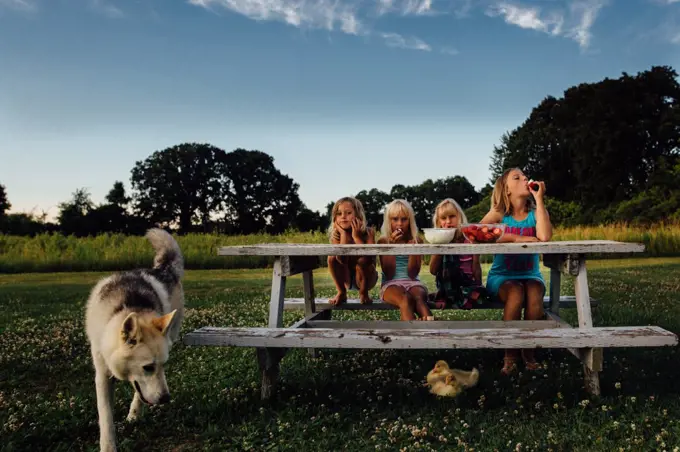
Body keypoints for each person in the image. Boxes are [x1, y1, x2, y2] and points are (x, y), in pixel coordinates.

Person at [480, 168, 552, 375]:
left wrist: (539, 201)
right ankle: (510, 355)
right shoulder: (498, 215)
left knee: (534, 291)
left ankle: (528, 353)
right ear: (506, 190)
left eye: (525, 176)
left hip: (530, 275)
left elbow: (545, 236)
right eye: (517, 177)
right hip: (502, 277)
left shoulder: (535, 215)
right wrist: (515, 238)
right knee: (515, 292)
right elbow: (479, 234)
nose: (525, 178)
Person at [376, 199, 433, 321]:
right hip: (390, 284)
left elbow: (413, 274)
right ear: (388, 221)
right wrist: (391, 246)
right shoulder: (383, 241)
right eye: (395, 219)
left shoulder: (417, 241)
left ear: (410, 221)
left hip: (413, 282)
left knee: (419, 300)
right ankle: (410, 335)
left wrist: (413, 251)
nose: (400, 224)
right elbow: (389, 273)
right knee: (405, 299)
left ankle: (432, 331)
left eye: (404, 219)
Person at [428, 198, 488, 310]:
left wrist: (478, 285)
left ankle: (451, 297)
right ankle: (454, 297)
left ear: (459, 217)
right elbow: (432, 270)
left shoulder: (469, 239)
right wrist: (440, 249)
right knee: (450, 270)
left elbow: (475, 267)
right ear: (439, 222)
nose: (448, 221)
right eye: (443, 218)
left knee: (481, 293)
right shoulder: (438, 240)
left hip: (467, 284)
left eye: (452, 216)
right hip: (448, 283)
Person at [327, 197, 378, 305]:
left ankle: (363, 293)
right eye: (339, 214)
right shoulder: (336, 236)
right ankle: (341, 292)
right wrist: (343, 235)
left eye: (348, 213)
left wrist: (356, 237)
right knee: (332, 257)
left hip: (367, 278)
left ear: (358, 215)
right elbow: (341, 259)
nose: (343, 217)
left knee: (362, 260)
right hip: (347, 278)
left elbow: (369, 259)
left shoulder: (369, 232)